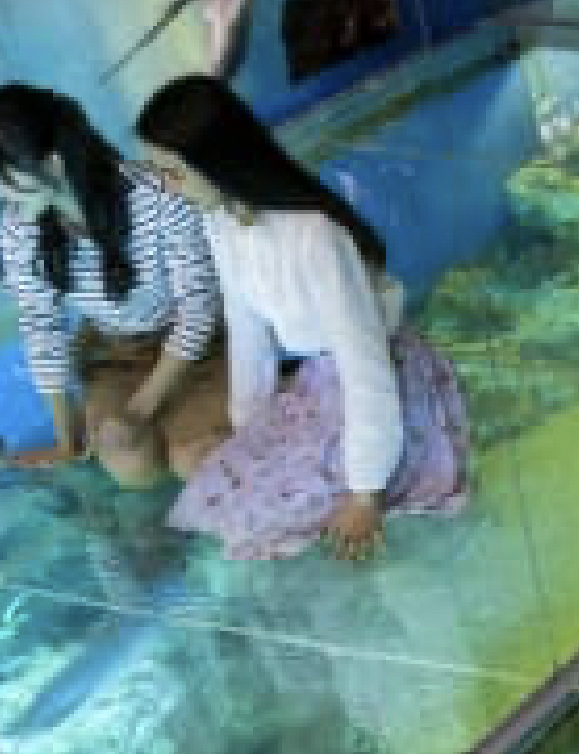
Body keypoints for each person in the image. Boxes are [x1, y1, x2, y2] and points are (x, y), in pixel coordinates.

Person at [135, 74, 469, 561]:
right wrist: (251, 432)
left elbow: (365, 362)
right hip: (319, 379)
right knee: (236, 493)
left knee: (313, 518)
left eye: (173, 173)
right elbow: (247, 333)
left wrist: (365, 490)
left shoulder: (316, 238)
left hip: (377, 382)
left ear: (217, 163)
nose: (166, 189)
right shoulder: (222, 222)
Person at [0, 82, 228, 486]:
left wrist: (140, 409)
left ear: (52, 164)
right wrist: (66, 441)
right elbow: (41, 324)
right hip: (115, 352)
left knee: (196, 459)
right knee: (126, 459)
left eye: (5, 180)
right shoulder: (19, 224)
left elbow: (199, 308)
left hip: (206, 343)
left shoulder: (156, 195)